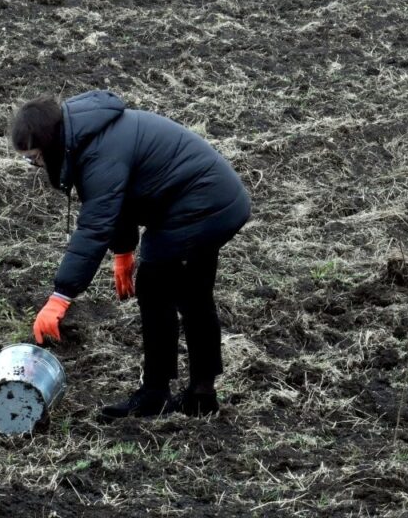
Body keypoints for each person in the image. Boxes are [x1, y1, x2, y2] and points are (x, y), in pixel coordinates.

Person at [14, 91, 252, 418]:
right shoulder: (87, 135)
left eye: (34, 157)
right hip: (210, 198)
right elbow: (119, 199)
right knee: (192, 292)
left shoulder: (97, 152)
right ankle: (201, 394)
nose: (35, 165)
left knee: (156, 287)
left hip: (203, 205)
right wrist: (124, 249)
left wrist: (60, 296)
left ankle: (156, 394)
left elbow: (95, 225)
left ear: (51, 143)